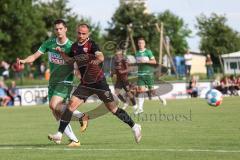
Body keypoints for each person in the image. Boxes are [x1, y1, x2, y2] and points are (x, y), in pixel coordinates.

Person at [48, 23, 142, 144]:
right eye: (79, 33)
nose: (81, 35)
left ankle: (135, 126)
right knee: (71, 105)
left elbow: (101, 57)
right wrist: (61, 53)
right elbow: (70, 61)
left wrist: (95, 61)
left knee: (113, 109)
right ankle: (59, 134)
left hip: (99, 83)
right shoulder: (75, 47)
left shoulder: (92, 44)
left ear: (88, 34)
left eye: (83, 33)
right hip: (85, 84)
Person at [17, 19, 88, 147]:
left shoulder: (71, 46)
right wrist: (24, 61)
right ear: (54, 30)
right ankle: (74, 140)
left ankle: (81, 115)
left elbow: (76, 63)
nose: (59, 31)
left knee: (53, 104)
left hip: (65, 80)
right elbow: (34, 56)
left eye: (61, 28)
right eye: (56, 29)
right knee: (56, 112)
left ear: (65, 29)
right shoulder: (48, 43)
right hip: (53, 82)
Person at [134, 37, 167, 114]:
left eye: (142, 43)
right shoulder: (137, 53)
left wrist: (146, 61)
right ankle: (140, 108)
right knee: (141, 91)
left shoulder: (148, 52)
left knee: (152, 91)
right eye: (139, 43)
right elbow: (137, 64)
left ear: (144, 44)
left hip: (148, 74)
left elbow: (154, 61)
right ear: (138, 44)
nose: (140, 44)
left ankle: (161, 97)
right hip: (140, 74)